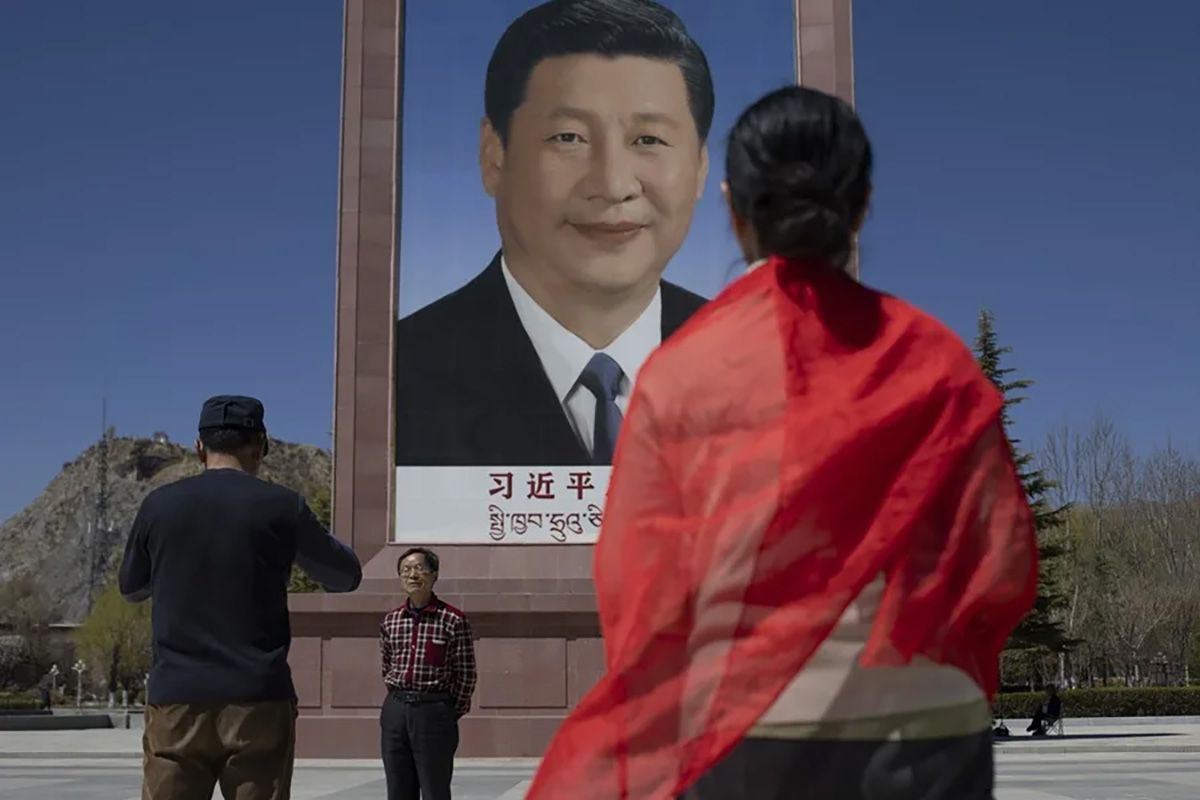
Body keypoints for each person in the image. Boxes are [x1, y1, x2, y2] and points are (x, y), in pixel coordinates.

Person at [526, 86, 1040, 800]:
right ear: (861, 207)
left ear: (734, 209)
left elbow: (641, 580)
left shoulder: (684, 371)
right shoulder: (935, 359)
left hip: (748, 727)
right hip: (925, 726)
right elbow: (999, 557)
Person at [395, 0, 713, 468]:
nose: (613, 185)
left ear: (700, 168)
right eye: (569, 138)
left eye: (649, 140)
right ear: (494, 156)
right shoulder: (398, 378)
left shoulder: (766, 373)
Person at [119, 395, 363, 800]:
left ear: (199, 447)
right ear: (261, 445)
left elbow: (131, 587)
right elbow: (345, 576)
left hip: (177, 698)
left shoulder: (158, 506)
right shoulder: (283, 506)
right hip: (258, 698)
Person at [379, 547, 478, 800]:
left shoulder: (452, 619)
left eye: (419, 569)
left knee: (435, 789)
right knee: (398, 788)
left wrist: (446, 710)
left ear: (434, 575)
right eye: (405, 571)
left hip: (434, 711)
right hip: (396, 710)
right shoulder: (391, 621)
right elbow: (387, 664)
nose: (412, 576)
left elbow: (466, 674)